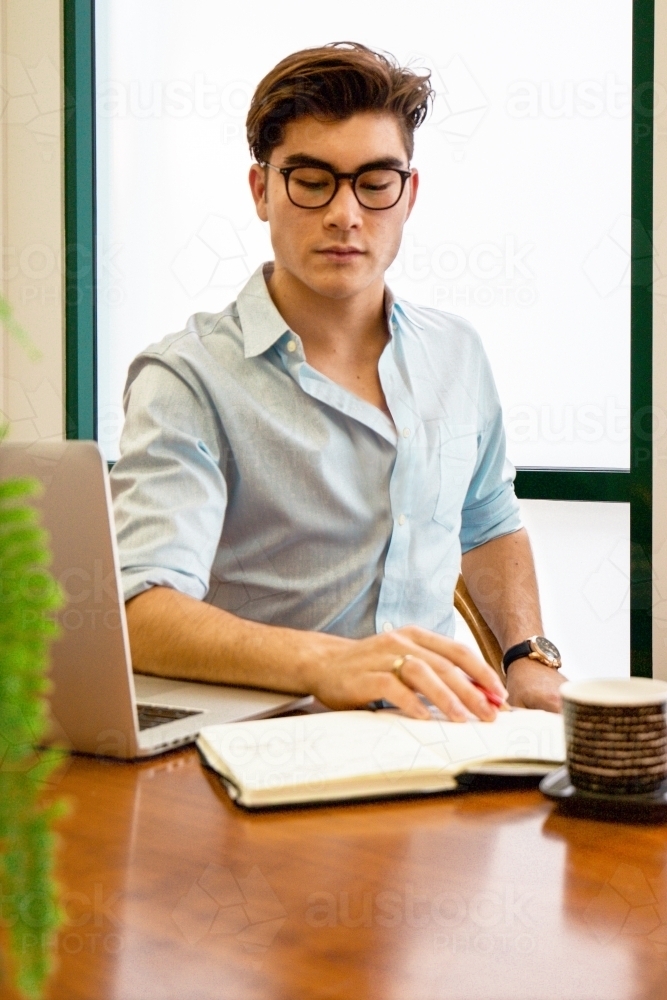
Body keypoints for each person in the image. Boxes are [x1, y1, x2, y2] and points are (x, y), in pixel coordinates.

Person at [111, 42, 565, 721]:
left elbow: (488, 522)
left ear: (408, 194)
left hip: (441, 738)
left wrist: (527, 657)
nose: (345, 214)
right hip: (265, 744)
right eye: (311, 180)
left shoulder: (455, 353)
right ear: (261, 190)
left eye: (374, 182)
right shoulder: (187, 377)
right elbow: (139, 611)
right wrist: (328, 664)